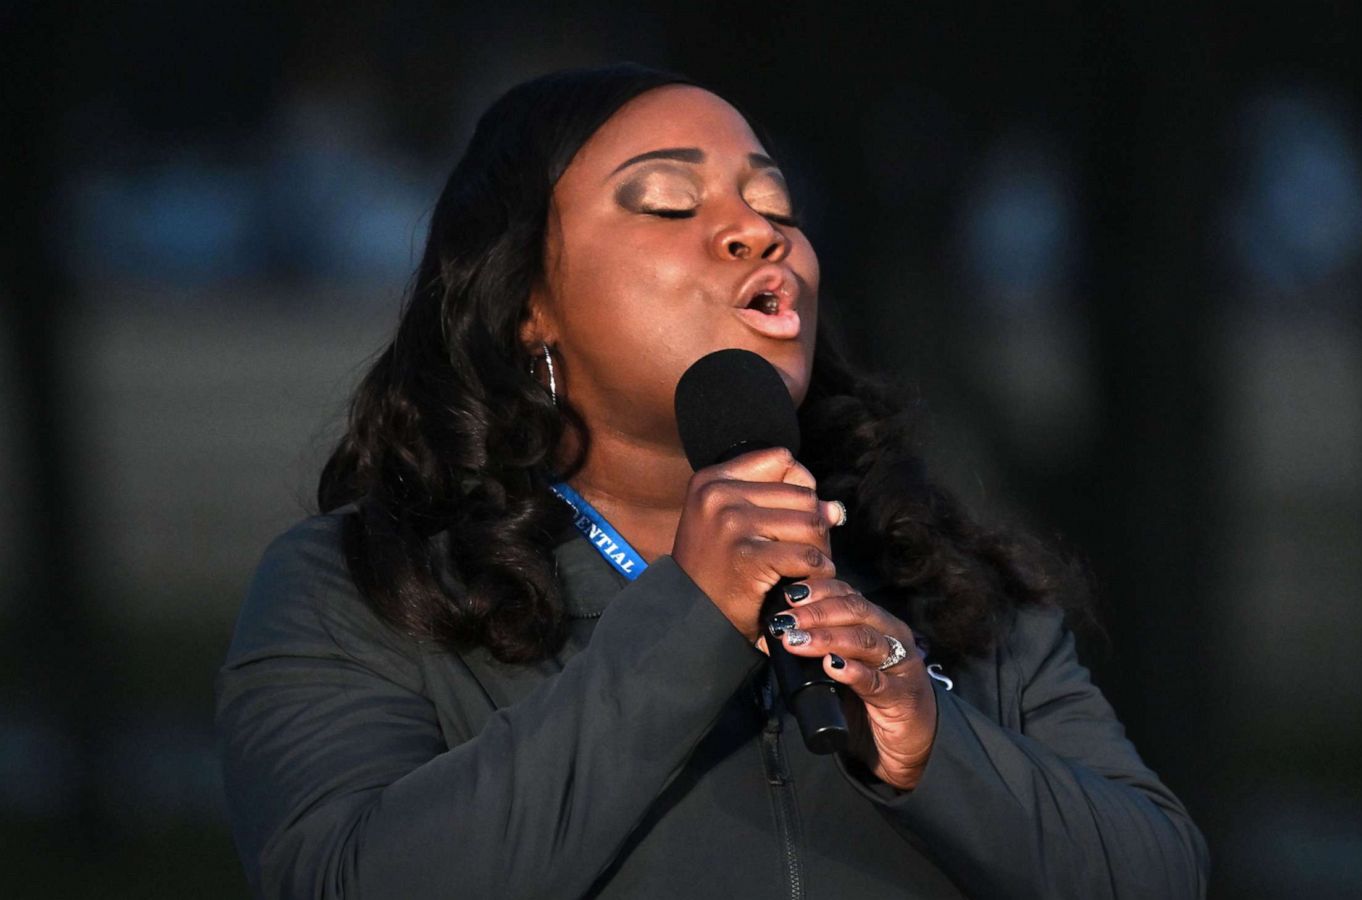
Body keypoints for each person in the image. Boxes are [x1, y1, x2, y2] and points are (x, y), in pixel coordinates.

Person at [215, 62, 1209, 898]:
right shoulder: (367, 588)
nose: (756, 232)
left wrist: (929, 742)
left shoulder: (939, 583)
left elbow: (1155, 870)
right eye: (668, 203)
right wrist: (691, 619)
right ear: (527, 305)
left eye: (776, 205)